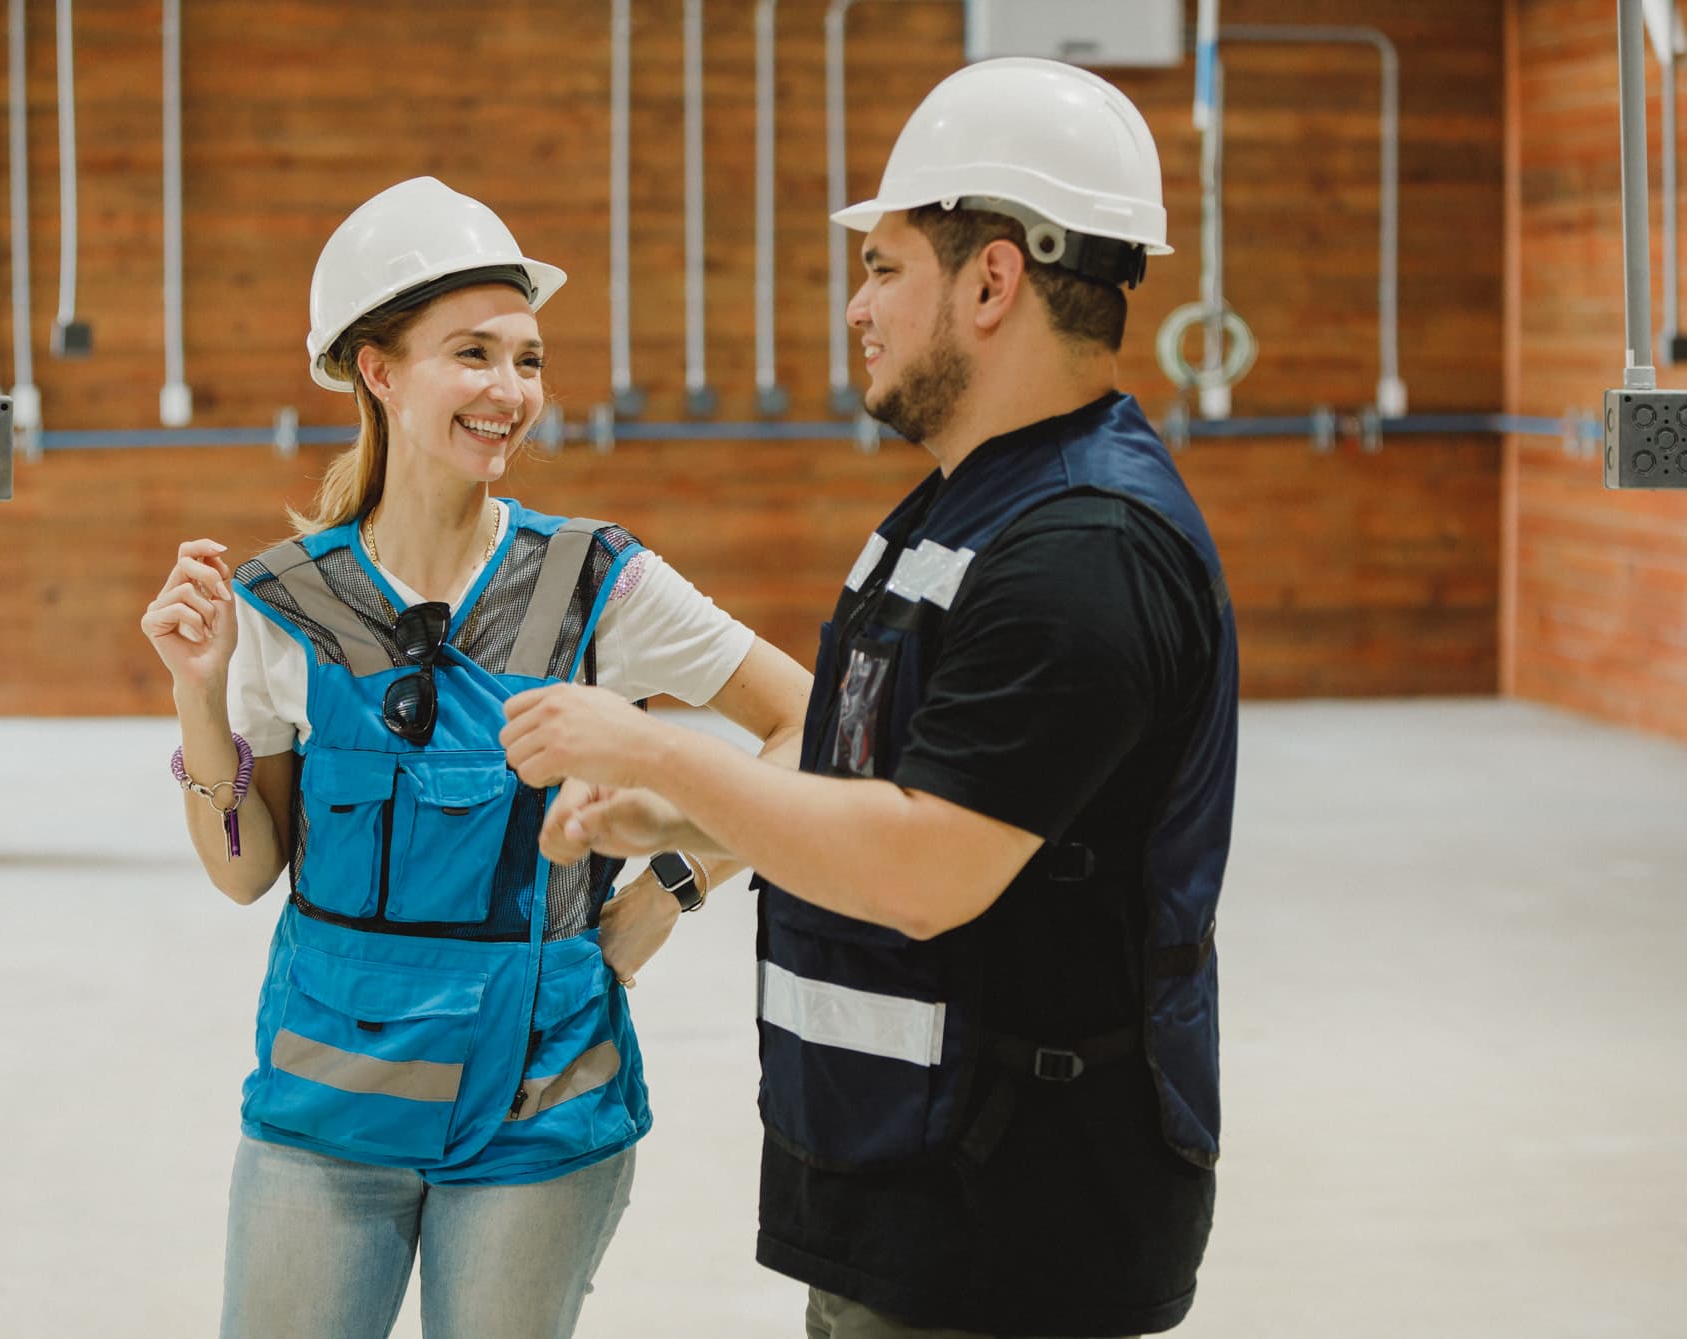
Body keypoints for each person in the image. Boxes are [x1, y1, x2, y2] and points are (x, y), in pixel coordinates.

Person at [501, 58, 1239, 1339]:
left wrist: (664, 755)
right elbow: (881, 785)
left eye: (887, 266)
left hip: (1016, 1226)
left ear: (993, 278)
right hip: (911, 1176)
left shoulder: (1082, 552)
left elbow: (924, 866)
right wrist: (688, 834)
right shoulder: (962, 513)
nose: (856, 305)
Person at [138, 176, 810, 1339]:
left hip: (540, 1109)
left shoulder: (597, 580)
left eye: (528, 359)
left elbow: (819, 728)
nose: (510, 392)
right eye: (472, 354)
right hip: (325, 1110)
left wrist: (668, 891)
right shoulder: (283, 604)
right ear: (377, 370)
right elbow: (245, 870)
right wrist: (201, 697)